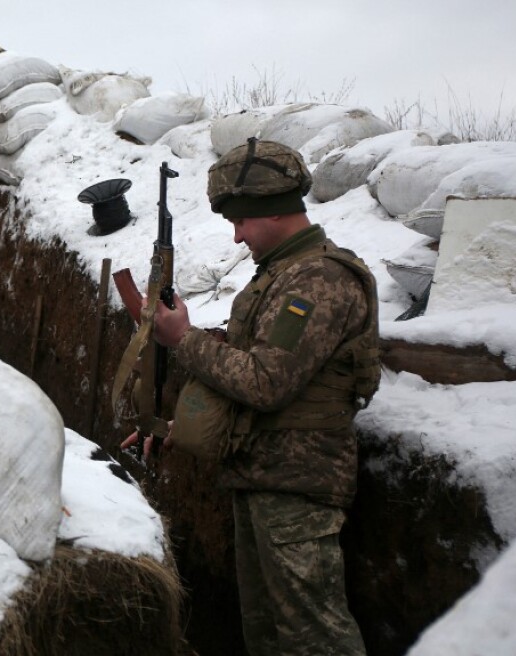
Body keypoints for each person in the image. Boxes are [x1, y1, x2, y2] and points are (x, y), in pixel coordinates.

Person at [123, 138, 380, 656]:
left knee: (315, 640)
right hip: (262, 476)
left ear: (273, 213)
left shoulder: (318, 280)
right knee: (265, 636)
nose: (238, 236)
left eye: (240, 221)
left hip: (296, 489)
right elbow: (257, 373)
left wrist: (183, 340)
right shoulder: (283, 275)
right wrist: (176, 429)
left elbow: (265, 381)